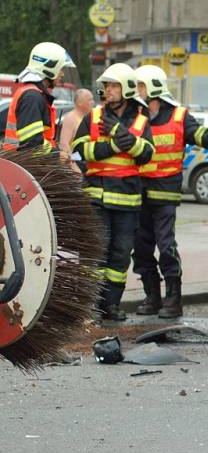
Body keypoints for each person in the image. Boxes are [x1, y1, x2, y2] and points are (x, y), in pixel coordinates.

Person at [132, 64, 208, 319]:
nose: (136, 91)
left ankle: (174, 299)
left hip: (165, 193)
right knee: (141, 248)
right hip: (139, 193)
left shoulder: (179, 116)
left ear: (152, 88)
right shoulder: (137, 116)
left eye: (139, 86)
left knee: (166, 245)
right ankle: (152, 297)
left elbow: (204, 136)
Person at [71, 63, 154, 322]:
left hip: (128, 201)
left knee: (120, 256)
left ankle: (112, 305)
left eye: (114, 85)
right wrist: (113, 147)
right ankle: (92, 307)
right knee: (98, 252)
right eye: (106, 85)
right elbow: (79, 151)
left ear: (127, 89)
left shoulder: (141, 121)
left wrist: (122, 136)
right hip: (97, 198)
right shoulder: (93, 117)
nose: (108, 90)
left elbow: (148, 156)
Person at [2, 42, 74, 152]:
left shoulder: (33, 95)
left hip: (24, 164)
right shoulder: (32, 98)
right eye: (60, 69)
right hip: (24, 165)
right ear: (50, 69)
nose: (62, 74)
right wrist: (56, 154)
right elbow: (32, 144)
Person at [58, 88, 94, 172]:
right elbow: (64, 144)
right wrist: (74, 168)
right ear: (79, 102)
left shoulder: (89, 118)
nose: (92, 102)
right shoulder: (71, 118)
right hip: (77, 163)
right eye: (89, 100)